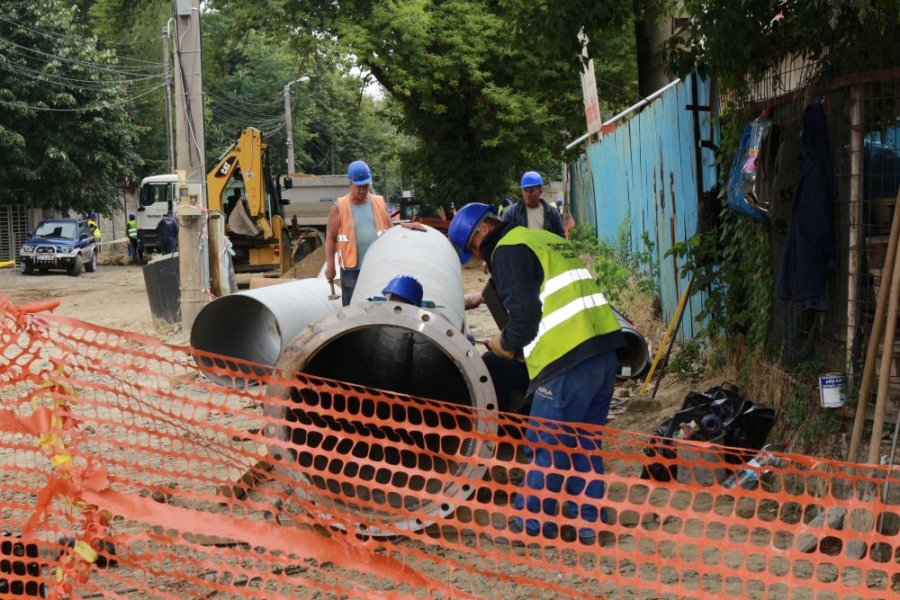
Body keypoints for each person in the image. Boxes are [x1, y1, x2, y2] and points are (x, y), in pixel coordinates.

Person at [449, 202, 625, 545]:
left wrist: (503, 343)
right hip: (603, 351)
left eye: (473, 248)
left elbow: (525, 319)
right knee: (584, 443)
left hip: (566, 357)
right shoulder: (541, 238)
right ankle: (590, 525)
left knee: (546, 444)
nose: (478, 257)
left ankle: (530, 527)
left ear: (483, 230)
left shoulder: (508, 249)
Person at [324, 160, 392, 306]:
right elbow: (330, 239)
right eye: (359, 187)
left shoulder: (379, 203)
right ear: (350, 183)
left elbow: (391, 233)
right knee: (352, 309)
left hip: (377, 267)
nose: (362, 190)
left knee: (379, 307)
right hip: (351, 269)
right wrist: (330, 267)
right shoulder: (339, 207)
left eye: (366, 186)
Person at [501, 172, 565, 237]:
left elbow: (561, 238)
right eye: (525, 190)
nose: (528, 194)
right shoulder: (511, 213)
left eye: (532, 191)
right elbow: (501, 238)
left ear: (540, 191)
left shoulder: (553, 213)